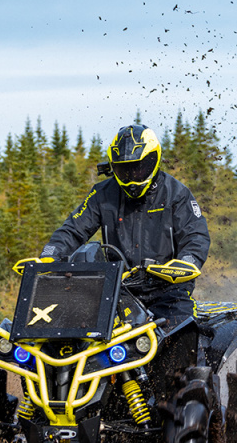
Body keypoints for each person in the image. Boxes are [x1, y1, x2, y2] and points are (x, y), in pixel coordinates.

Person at [35, 123, 211, 327]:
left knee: (183, 333)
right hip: (116, 290)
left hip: (168, 291)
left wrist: (187, 261)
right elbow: (73, 229)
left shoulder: (176, 194)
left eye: (138, 168)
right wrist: (50, 255)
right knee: (70, 326)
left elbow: (195, 235)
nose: (132, 177)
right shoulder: (102, 194)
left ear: (152, 161)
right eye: (124, 170)